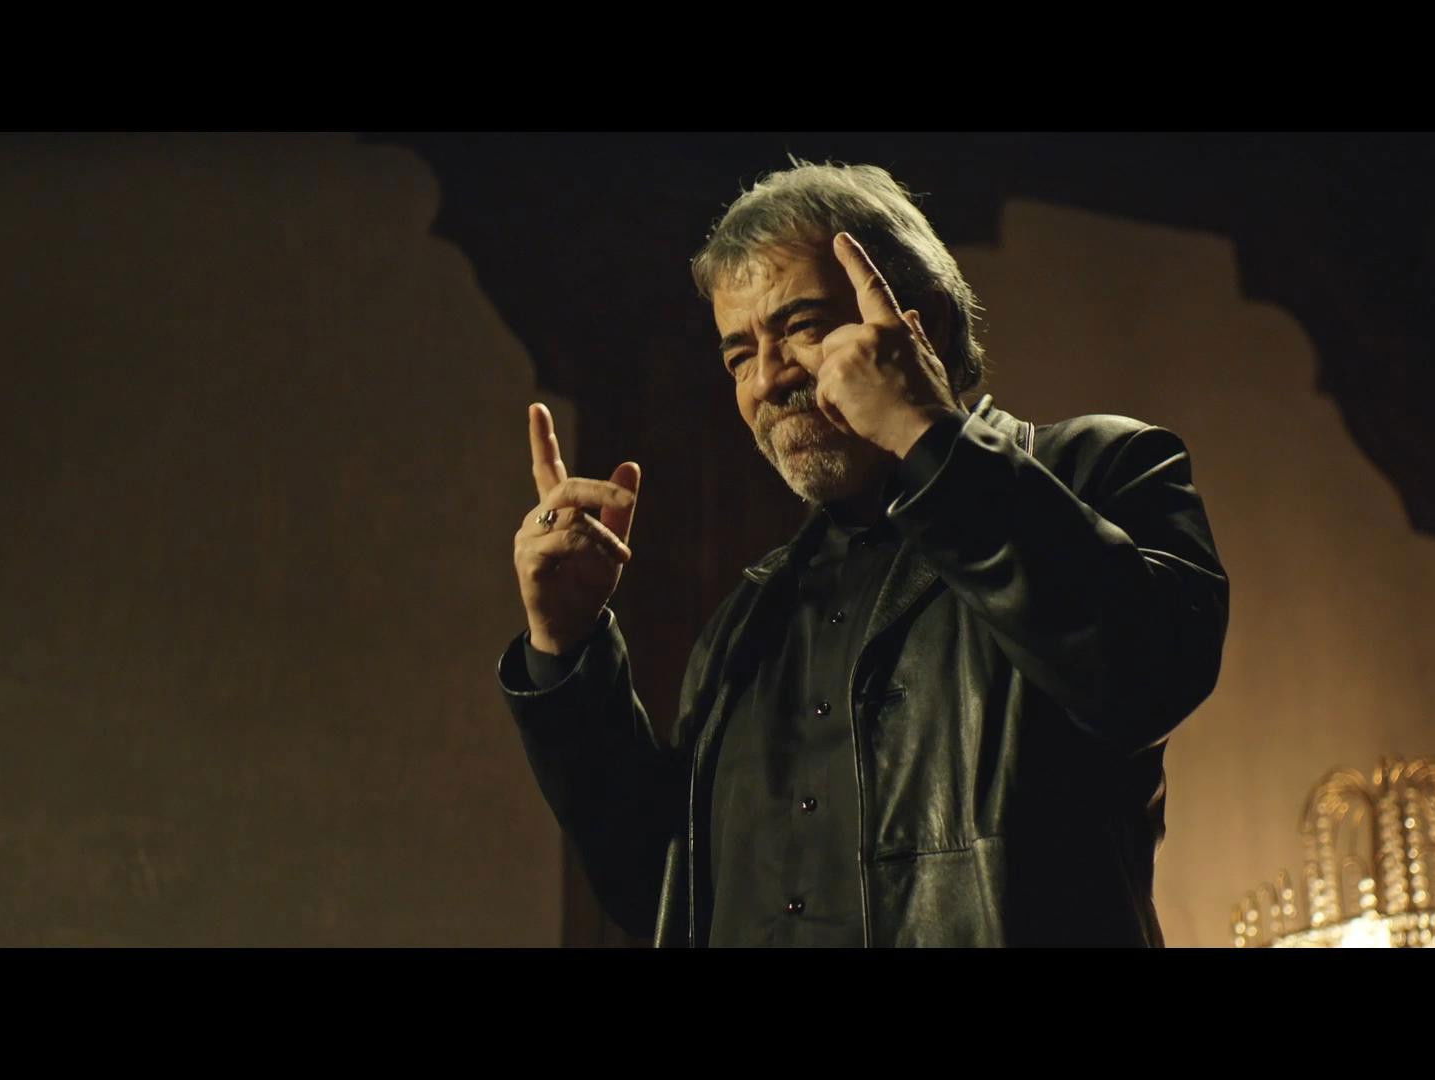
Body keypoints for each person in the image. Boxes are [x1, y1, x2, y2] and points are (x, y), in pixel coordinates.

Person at [499, 161, 1228, 947]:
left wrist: (928, 434)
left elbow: (1146, 679)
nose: (767, 379)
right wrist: (566, 650)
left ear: (924, 324)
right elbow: (666, 890)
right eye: (738, 355)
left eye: (804, 327)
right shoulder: (750, 617)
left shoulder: (1102, 469)